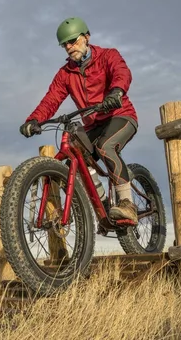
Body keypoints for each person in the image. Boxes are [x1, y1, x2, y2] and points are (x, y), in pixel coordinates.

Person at [19, 17, 139, 225]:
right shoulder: (65, 73)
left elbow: (122, 72)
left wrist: (116, 92)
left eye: (73, 41)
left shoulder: (108, 56)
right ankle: (104, 207)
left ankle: (127, 203)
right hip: (93, 124)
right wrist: (34, 120)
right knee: (74, 160)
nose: (68, 47)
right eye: (64, 44)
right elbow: (51, 99)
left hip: (120, 115)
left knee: (104, 146)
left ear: (86, 37)